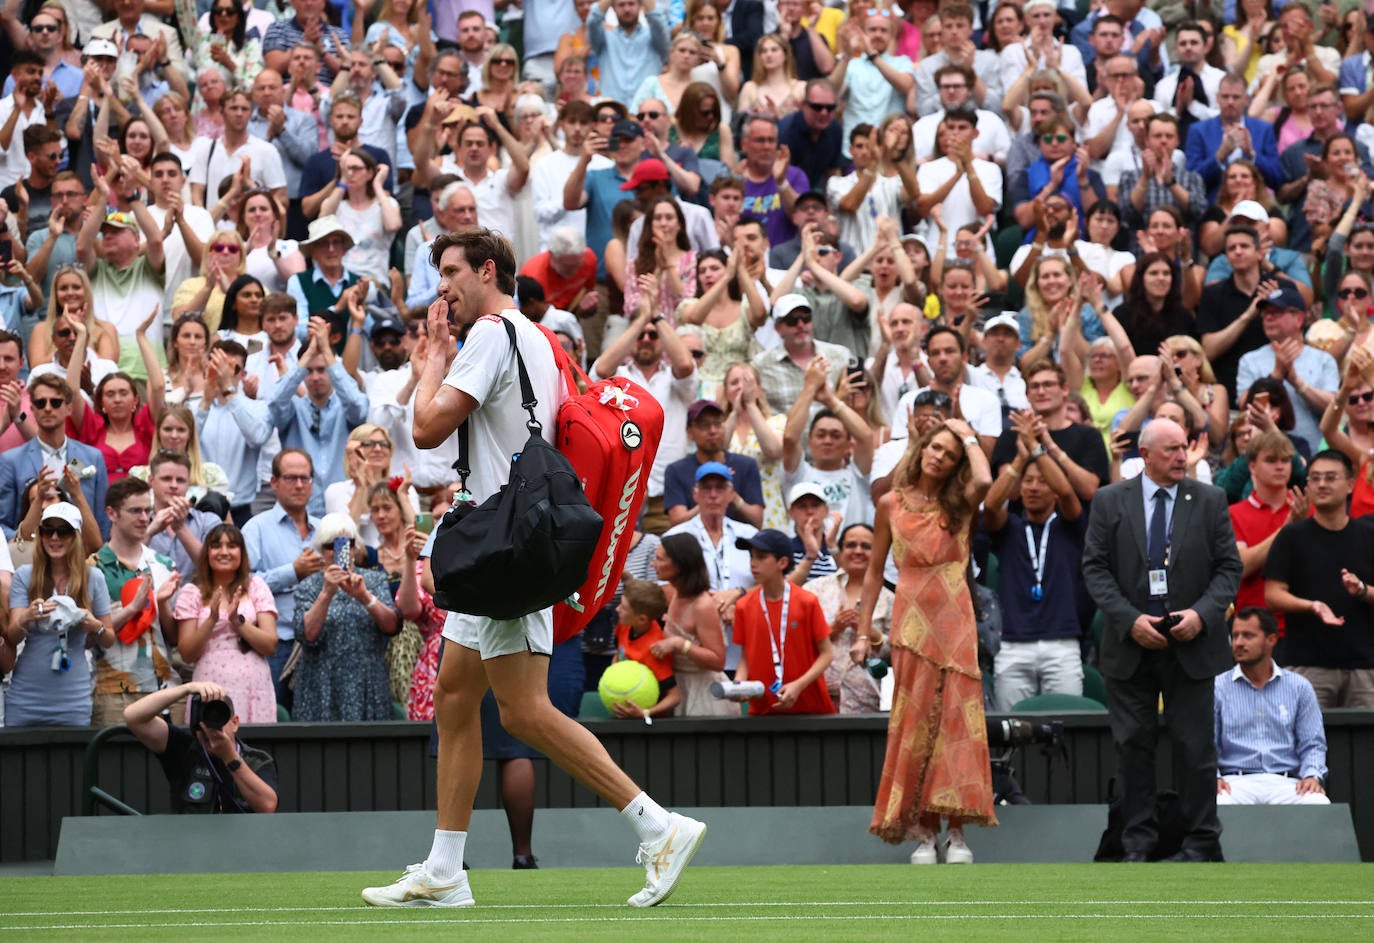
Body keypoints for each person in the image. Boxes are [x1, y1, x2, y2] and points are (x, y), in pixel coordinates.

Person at [365, 227, 707, 909]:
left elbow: (427, 427)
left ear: (488, 270)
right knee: (457, 698)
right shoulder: (534, 335)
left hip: (508, 554)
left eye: (453, 274)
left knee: (524, 711)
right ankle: (445, 867)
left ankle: (657, 825)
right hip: (503, 543)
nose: (444, 292)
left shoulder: (492, 333)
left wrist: (433, 355)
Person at [1082, 418, 1243, 862]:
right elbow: (1094, 568)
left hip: (1192, 644)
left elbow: (1229, 569)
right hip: (1129, 645)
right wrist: (1130, 620)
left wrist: (1203, 614)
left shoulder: (1209, 500)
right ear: (1145, 456)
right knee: (1133, 746)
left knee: (1195, 747)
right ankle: (1138, 842)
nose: (1180, 456)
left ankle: (1201, 843)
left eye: (1184, 448)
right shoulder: (1109, 500)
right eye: (1171, 450)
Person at [855, 417, 994, 864]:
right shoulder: (889, 504)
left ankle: (957, 833)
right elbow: (874, 572)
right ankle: (921, 833)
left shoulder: (962, 504)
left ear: (957, 465)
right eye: (935, 447)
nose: (940, 456)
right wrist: (862, 631)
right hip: (911, 622)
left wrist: (968, 435)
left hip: (956, 620)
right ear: (920, 448)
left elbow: (987, 478)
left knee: (956, 724)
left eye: (950, 454)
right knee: (914, 726)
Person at [984, 411, 1087, 710]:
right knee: (1011, 732)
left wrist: (1038, 448)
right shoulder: (1009, 527)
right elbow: (991, 505)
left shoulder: (1069, 526)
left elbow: (1067, 491)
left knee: (1069, 729)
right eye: (1027, 481)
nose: (1033, 487)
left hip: (1062, 642)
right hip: (1013, 644)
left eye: (1042, 481)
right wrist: (1021, 458)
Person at [1264, 449, 1374, 708]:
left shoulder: (1369, 535)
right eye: (1314, 478)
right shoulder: (1291, 537)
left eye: (1330, 477)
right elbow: (1272, 594)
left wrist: (1361, 590)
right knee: (1309, 745)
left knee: (1367, 746)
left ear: (1349, 485)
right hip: (1307, 665)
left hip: (1365, 667)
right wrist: (1311, 606)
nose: (1322, 484)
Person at [2, 502, 113, 726]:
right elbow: (12, 636)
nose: (54, 537)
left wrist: (94, 626)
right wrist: (27, 616)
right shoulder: (25, 575)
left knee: (72, 760)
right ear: (40, 535)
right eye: (47, 530)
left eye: (63, 531)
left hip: (74, 697)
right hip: (26, 696)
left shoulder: (94, 577)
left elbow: (109, 638)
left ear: (76, 536)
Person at [89, 477, 181, 728]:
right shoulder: (93, 569)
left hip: (165, 690)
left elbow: (173, 637)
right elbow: (87, 638)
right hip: (114, 691)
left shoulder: (164, 565)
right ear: (111, 513)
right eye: (135, 511)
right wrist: (131, 609)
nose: (144, 518)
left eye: (148, 511)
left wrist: (161, 605)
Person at [1214, 607, 1330, 806]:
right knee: (1218, 803)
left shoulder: (1299, 687)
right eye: (1235, 636)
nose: (1239, 643)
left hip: (1286, 783)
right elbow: (1207, 744)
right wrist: (1212, 777)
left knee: (1318, 803)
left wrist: (1312, 775)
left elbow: (1313, 744)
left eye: (1248, 636)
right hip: (1234, 783)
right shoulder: (1218, 687)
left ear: (1271, 640)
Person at [291, 513, 397, 721]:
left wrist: (365, 597)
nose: (338, 551)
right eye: (331, 546)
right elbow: (307, 635)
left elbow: (392, 626)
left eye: (346, 544)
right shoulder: (308, 587)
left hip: (367, 681)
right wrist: (327, 593)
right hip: (320, 682)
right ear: (321, 550)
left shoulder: (374, 581)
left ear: (355, 547)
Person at [173, 523, 279, 723]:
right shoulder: (192, 592)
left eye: (231, 546)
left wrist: (237, 621)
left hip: (253, 687)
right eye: (216, 546)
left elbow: (270, 645)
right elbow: (187, 653)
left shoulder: (256, 586)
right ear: (207, 553)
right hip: (210, 686)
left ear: (242, 553)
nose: (224, 552)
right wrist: (212, 619)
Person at [121, 680, 278, 813]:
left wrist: (230, 757)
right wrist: (187, 688)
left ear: (235, 723)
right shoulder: (185, 750)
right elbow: (133, 716)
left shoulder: (257, 760)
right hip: (190, 843)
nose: (213, 724)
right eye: (207, 717)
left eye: (220, 717)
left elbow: (267, 806)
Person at [242, 448, 321, 703]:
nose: (299, 485)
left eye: (305, 478)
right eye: (290, 478)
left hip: (319, 644)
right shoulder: (256, 528)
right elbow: (241, 586)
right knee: (275, 724)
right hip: (277, 643)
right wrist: (293, 572)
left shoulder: (325, 530)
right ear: (273, 482)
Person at [730, 528, 835, 716]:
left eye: (761, 557)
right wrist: (739, 685)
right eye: (751, 557)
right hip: (763, 711)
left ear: (782, 562)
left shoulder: (807, 601)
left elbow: (826, 654)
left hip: (811, 711)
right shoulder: (744, 606)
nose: (753, 564)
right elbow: (746, 657)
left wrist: (798, 685)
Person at [0, 374, 109, 539]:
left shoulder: (93, 457)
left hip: (83, 553)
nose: (48, 408)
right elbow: (3, 524)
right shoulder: (11, 461)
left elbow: (103, 520)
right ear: (32, 409)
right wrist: (22, 543)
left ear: (69, 409)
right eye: (40, 403)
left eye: (56, 402)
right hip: (31, 554)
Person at [643, 533, 733, 717]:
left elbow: (718, 660)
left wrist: (679, 644)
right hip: (678, 690)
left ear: (679, 565)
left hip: (704, 697)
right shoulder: (675, 593)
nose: (653, 564)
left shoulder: (703, 605)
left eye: (659, 559)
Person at [806, 523, 892, 714]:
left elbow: (897, 653)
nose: (858, 551)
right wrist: (832, 629)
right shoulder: (814, 590)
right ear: (841, 549)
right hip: (817, 697)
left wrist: (871, 633)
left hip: (866, 701)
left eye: (866, 546)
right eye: (851, 545)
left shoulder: (889, 599)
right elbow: (797, 643)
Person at [609, 578, 681, 720]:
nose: (617, 609)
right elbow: (619, 651)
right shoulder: (625, 622)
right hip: (624, 710)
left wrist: (645, 713)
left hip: (652, 725)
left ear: (642, 619)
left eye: (623, 607)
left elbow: (675, 696)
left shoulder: (655, 650)